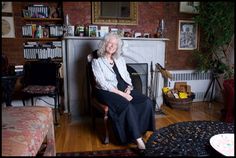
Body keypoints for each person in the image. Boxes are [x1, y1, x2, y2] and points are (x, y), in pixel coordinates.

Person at [91, 32, 155, 150]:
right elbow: (102, 83)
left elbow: (127, 77)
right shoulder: (97, 62)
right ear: (104, 44)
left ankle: (141, 129)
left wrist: (129, 89)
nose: (112, 46)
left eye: (115, 44)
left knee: (146, 101)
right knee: (126, 106)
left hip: (124, 89)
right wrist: (122, 94)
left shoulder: (120, 60)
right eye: (110, 42)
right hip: (106, 91)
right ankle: (137, 139)